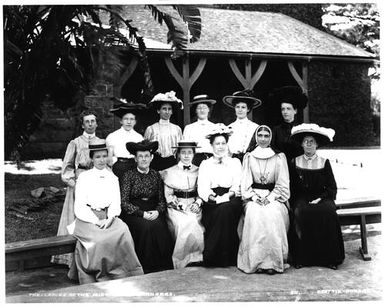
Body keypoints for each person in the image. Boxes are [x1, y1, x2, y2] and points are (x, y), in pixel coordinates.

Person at [66, 139, 144, 284]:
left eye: (104, 156)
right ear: (92, 158)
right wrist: (96, 220)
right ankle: (102, 274)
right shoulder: (84, 177)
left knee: (123, 231)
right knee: (99, 241)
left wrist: (110, 217)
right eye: (97, 157)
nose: (101, 160)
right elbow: (80, 206)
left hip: (108, 216)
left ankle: (125, 273)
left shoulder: (113, 178)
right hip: (87, 218)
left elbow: (116, 202)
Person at [289, 123, 345, 269]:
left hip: (322, 196)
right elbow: (292, 187)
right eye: (306, 141)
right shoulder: (295, 162)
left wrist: (321, 198)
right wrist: (297, 201)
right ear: (301, 144)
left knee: (328, 213)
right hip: (301, 197)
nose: (308, 144)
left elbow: (332, 187)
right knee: (301, 212)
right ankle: (302, 258)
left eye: (311, 142)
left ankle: (330, 258)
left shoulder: (324, 162)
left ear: (317, 145)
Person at [237, 125, 290, 275]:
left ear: (271, 138)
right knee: (254, 213)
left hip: (274, 195)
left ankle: (273, 262)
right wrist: (254, 197)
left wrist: (270, 197)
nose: (263, 138)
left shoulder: (279, 156)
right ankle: (256, 261)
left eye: (266, 136)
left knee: (272, 214)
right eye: (260, 135)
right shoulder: (249, 156)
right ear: (255, 137)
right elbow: (245, 183)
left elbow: (282, 183)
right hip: (254, 196)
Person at [52, 109, 100, 266]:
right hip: (79, 183)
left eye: (93, 121)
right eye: (87, 121)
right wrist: (75, 184)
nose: (90, 124)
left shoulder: (101, 142)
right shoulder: (75, 143)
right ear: (82, 124)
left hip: (96, 183)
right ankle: (73, 260)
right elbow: (66, 169)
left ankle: (93, 257)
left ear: (97, 123)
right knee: (76, 220)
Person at [120, 140, 174, 273]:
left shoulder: (156, 175)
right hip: (134, 211)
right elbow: (124, 202)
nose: (144, 159)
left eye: (146, 156)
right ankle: (146, 267)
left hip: (152, 208)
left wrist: (157, 211)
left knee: (160, 226)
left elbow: (162, 200)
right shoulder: (128, 175)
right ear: (135, 159)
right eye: (140, 156)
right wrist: (141, 214)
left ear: (151, 157)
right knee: (145, 227)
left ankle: (162, 266)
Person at [198, 124, 243, 267]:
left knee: (225, 209)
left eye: (223, 143)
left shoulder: (235, 162)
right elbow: (203, 188)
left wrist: (226, 197)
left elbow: (238, 185)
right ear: (211, 145)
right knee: (218, 211)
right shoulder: (205, 164)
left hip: (231, 197)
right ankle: (223, 256)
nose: (221, 146)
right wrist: (214, 198)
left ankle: (214, 255)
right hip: (212, 199)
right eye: (217, 143)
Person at [161, 141, 205, 268]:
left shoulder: (199, 170)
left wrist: (197, 203)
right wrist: (182, 206)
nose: (186, 156)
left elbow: (202, 191)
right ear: (178, 154)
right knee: (183, 223)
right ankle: (181, 260)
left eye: (189, 153)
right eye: (183, 153)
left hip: (194, 205)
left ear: (193, 154)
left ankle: (197, 257)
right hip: (176, 207)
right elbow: (168, 195)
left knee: (195, 222)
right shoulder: (169, 172)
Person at [106, 98, 146, 181]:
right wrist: (114, 163)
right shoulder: (113, 136)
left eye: (131, 119)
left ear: (135, 122)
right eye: (126, 119)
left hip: (135, 166)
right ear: (121, 121)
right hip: (119, 167)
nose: (129, 122)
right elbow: (109, 156)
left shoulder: (139, 137)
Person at [144, 91, 183, 171]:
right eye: (164, 109)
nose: (167, 112)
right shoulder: (151, 128)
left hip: (172, 162)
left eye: (169, 109)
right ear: (158, 111)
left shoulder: (177, 129)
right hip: (156, 162)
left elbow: (180, 148)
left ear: (172, 112)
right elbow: (145, 148)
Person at [270, 86, 307, 161]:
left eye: (288, 109)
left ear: (295, 111)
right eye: (283, 109)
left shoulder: (301, 129)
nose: (285, 112)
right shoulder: (276, 130)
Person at [223, 89, 261, 162]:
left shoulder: (255, 127)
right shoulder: (227, 128)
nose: (240, 110)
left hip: (250, 162)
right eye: (237, 107)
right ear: (234, 108)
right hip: (232, 163)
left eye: (243, 107)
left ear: (248, 109)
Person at [183, 94, 217, 166]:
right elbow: (185, 148)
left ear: (209, 109)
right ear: (195, 110)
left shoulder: (215, 127)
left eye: (204, 108)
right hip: (195, 161)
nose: (202, 110)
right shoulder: (189, 128)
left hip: (213, 161)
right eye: (199, 108)